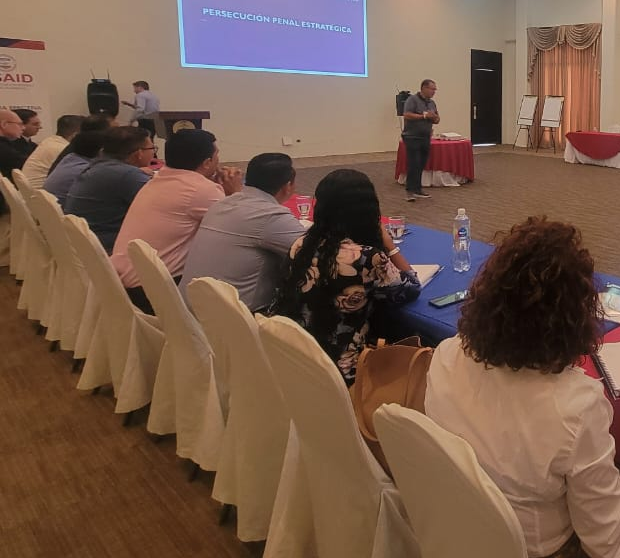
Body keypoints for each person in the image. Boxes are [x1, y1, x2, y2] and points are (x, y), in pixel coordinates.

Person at [424, 217, 620, 558]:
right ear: (575, 318)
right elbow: (607, 544)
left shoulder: (445, 354)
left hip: (459, 547)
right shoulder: (575, 405)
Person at [273, 169, 421, 384]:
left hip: (295, 355)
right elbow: (412, 287)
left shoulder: (301, 243)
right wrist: (390, 246)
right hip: (342, 370)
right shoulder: (367, 257)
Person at [111, 129, 243, 312]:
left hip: (122, 281)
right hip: (153, 293)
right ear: (207, 163)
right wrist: (236, 192)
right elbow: (241, 228)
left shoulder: (158, 178)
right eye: (217, 155)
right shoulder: (201, 189)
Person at [180, 152, 307, 313]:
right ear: (288, 186)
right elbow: (312, 251)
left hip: (187, 310)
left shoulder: (220, 204)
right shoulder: (270, 215)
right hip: (233, 319)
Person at [65, 126, 155, 253]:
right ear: (139, 154)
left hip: (83, 245)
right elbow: (161, 206)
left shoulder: (99, 166)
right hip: (106, 249)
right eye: (152, 148)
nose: (153, 153)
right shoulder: (127, 175)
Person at [44, 116, 111, 203]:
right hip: (63, 208)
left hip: (49, 205)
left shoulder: (69, 157)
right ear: (101, 151)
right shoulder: (87, 171)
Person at [401, 79, 439, 201]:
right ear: (424, 88)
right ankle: (410, 191)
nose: (434, 91)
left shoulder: (432, 103)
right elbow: (406, 114)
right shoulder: (412, 100)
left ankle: (417, 189)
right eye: (432, 89)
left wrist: (434, 117)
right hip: (412, 137)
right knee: (414, 163)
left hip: (425, 137)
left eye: (435, 89)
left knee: (421, 163)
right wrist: (424, 116)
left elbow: (437, 119)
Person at [22, 114, 82, 188]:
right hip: (40, 192)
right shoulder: (63, 149)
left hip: (31, 191)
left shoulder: (50, 141)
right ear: (75, 135)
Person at [0, 109, 29, 180]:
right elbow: (31, 166)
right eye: (20, 124)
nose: (23, 128)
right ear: (4, 124)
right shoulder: (4, 149)